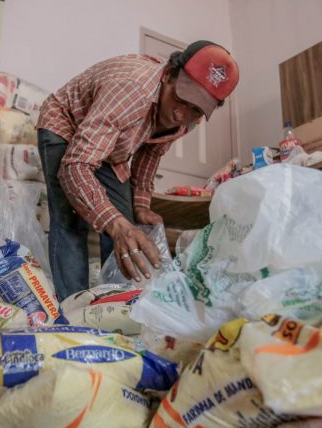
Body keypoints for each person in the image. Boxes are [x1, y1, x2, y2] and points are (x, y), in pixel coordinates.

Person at [38, 40, 240, 300]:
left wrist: (141, 206)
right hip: (68, 122)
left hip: (110, 146)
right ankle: (73, 308)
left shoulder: (188, 121)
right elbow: (75, 166)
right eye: (180, 99)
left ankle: (118, 301)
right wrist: (114, 224)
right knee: (72, 219)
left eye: (196, 109)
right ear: (168, 75)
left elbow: (150, 152)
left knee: (128, 222)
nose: (181, 115)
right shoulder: (132, 89)